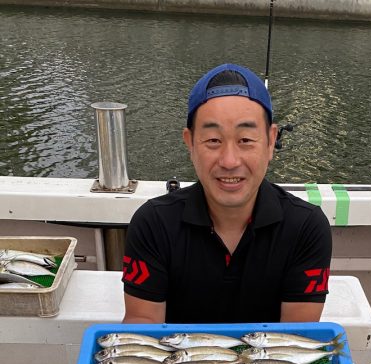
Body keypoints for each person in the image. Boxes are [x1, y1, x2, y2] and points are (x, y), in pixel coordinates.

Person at [122, 63, 332, 324]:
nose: (230, 160)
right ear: (190, 143)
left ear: (270, 141)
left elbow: (299, 336)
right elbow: (143, 324)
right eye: (213, 140)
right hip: (180, 362)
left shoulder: (306, 228)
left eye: (245, 140)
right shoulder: (153, 224)